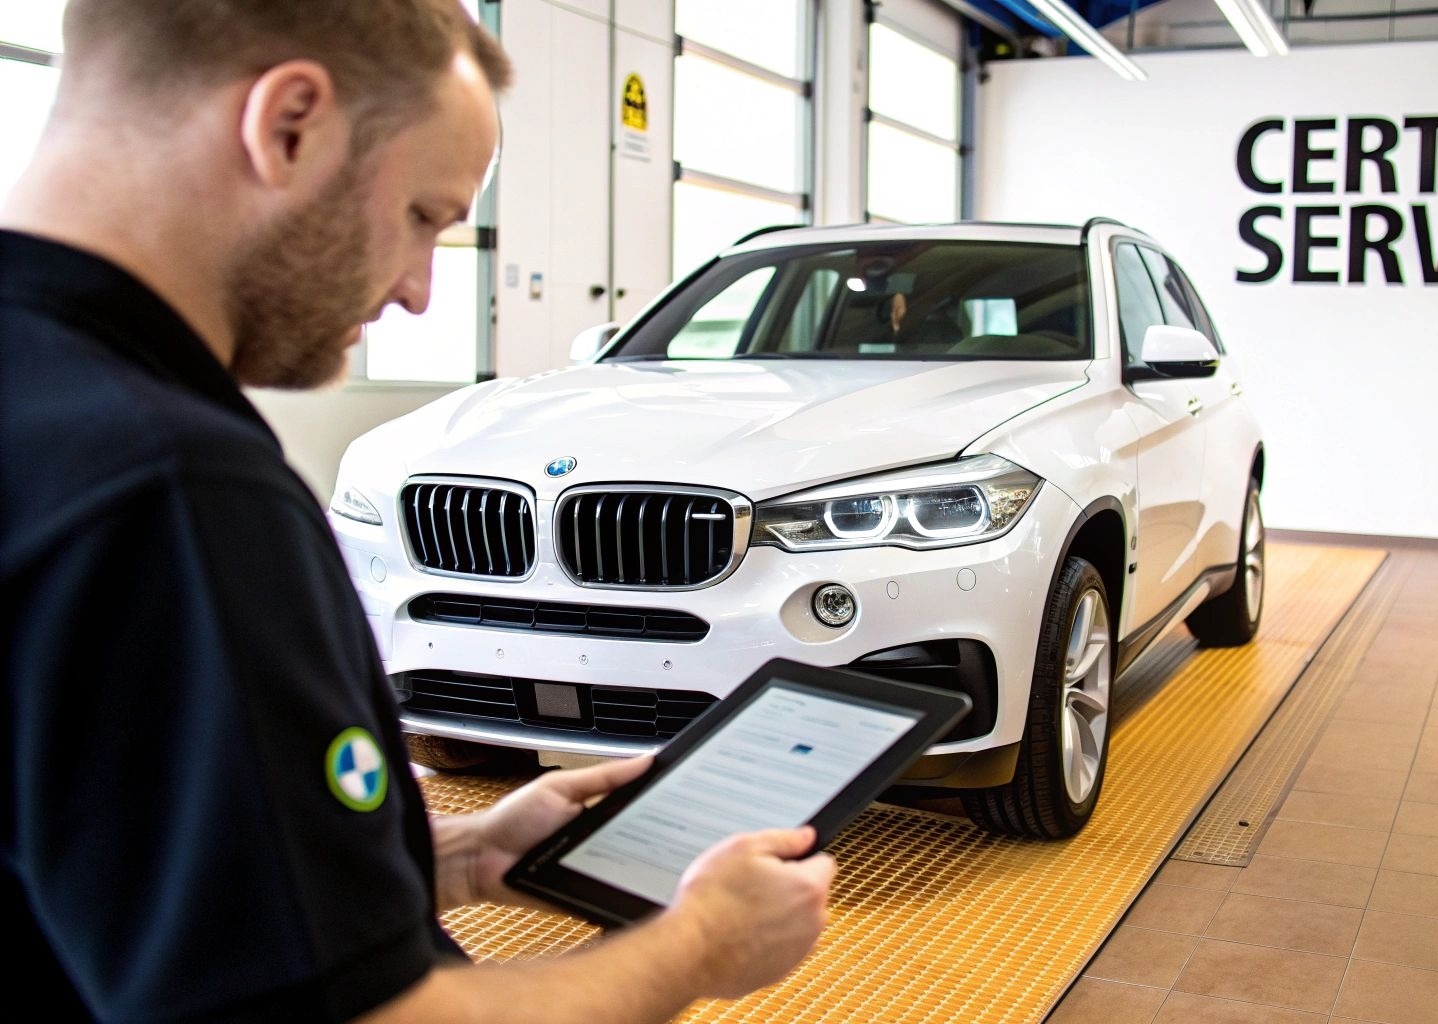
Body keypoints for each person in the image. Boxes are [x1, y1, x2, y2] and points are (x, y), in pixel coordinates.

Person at [0, 2, 834, 1021]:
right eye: (424, 216)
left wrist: (463, 850)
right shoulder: (171, 488)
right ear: (290, 124)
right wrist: (698, 945)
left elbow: (101, 858)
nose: (420, 291)